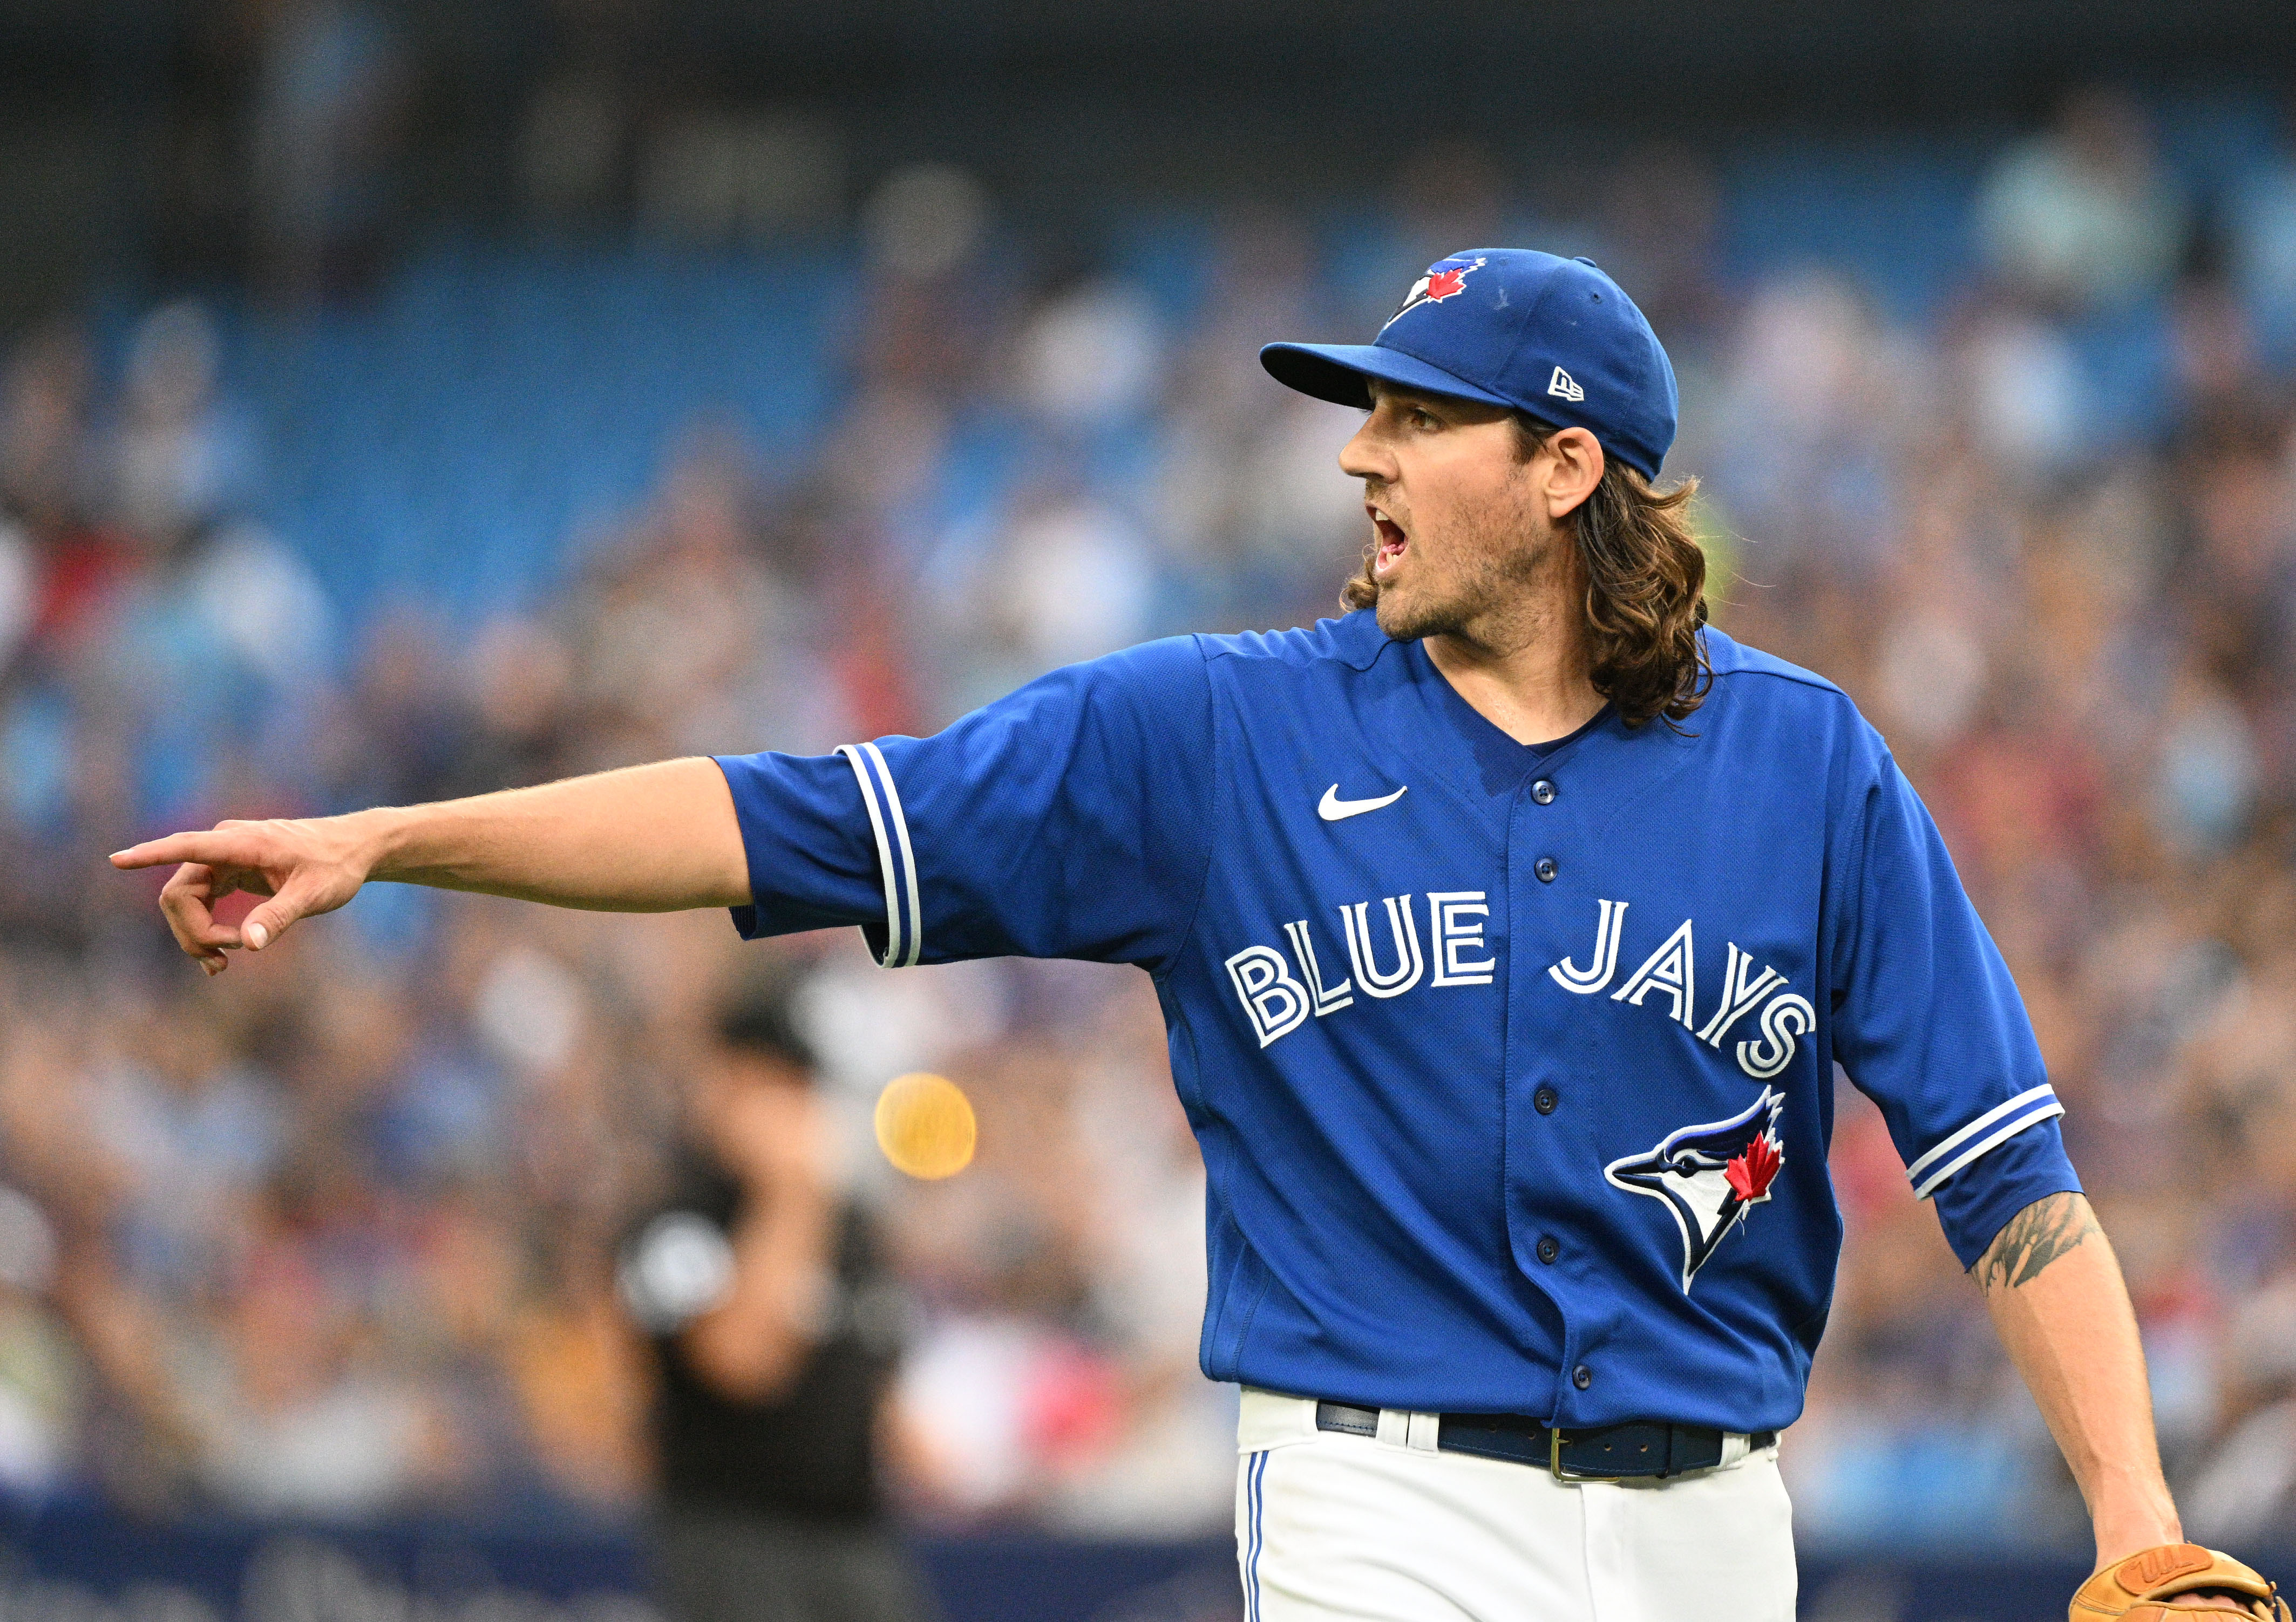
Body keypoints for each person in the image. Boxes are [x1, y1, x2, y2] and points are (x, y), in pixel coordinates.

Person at [114, 249, 2285, 1621]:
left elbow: (2004, 1170)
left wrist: (2131, 1516)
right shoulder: (1209, 735)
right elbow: (788, 820)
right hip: (1377, 1512)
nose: (1361, 456)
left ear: (1563, 470)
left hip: (1718, 1526)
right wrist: (397, 836)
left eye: (1414, 415)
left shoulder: (1806, 766)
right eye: (1363, 410)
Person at [615, 970, 928, 1622]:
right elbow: (742, 1363)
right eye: (775, 1083)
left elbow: (872, 1374)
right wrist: (788, 1196)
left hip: (855, 1536)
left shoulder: (846, 1226)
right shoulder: (681, 1219)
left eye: (804, 1086)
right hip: (734, 1536)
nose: (798, 1110)